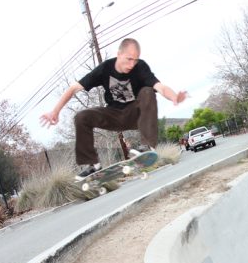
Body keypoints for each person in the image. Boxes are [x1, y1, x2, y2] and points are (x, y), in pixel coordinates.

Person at [40, 38, 187, 180]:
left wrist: (174, 97)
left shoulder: (140, 67)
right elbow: (74, 88)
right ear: (119, 54)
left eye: (135, 60)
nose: (132, 64)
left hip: (136, 115)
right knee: (81, 117)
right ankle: (93, 164)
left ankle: (147, 146)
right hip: (114, 115)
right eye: (129, 59)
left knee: (148, 91)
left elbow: (159, 87)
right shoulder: (105, 68)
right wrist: (55, 111)